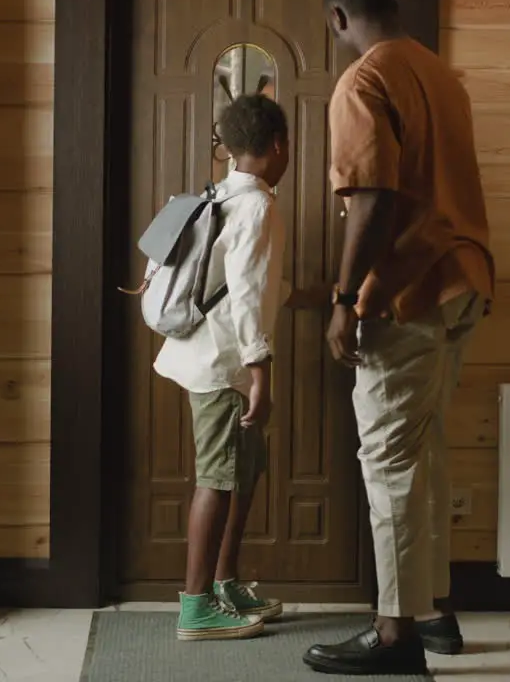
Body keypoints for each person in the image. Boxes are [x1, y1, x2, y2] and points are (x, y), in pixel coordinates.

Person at [301, 0, 495, 675]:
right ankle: (435, 611)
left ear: (337, 19)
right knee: (427, 451)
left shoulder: (364, 81)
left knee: (388, 459)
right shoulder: (441, 76)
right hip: (465, 279)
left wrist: (345, 301)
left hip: (407, 292)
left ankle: (394, 634)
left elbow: (373, 200)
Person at [153, 94, 290, 641]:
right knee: (217, 478)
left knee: (244, 470)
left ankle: (225, 580)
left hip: (203, 352)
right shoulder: (257, 206)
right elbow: (248, 295)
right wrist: (261, 374)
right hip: (222, 363)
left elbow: (249, 282)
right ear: (278, 147)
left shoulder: (214, 197)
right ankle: (196, 606)